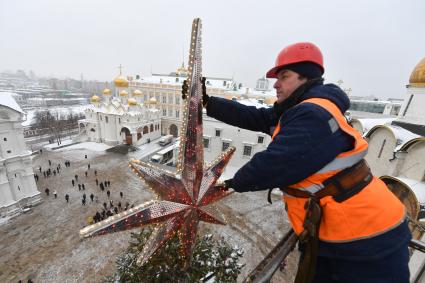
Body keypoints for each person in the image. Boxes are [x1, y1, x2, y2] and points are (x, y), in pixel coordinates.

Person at [182, 42, 411, 283]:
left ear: (306, 79)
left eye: (284, 76)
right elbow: (253, 116)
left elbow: (274, 164)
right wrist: (208, 102)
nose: (276, 84)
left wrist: (226, 185)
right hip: (341, 230)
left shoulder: (314, 115)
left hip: (367, 238)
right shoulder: (299, 109)